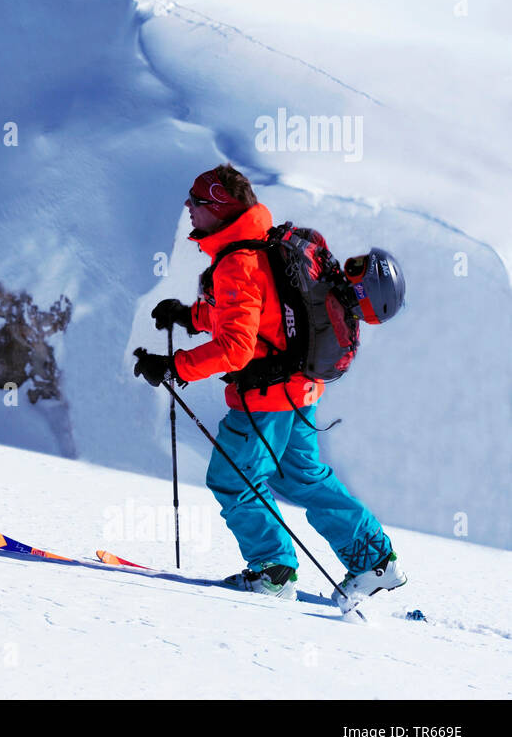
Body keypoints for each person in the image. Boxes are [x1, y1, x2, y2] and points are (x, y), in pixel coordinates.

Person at [131, 165, 406, 602]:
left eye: (197, 201)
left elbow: (236, 348)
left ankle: (274, 571)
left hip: (268, 399)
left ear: (221, 208)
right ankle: (374, 560)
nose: (188, 207)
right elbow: (264, 315)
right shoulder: (261, 245)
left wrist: (175, 367)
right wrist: (190, 316)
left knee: (233, 478)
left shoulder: (237, 261)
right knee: (304, 479)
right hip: (301, 391)